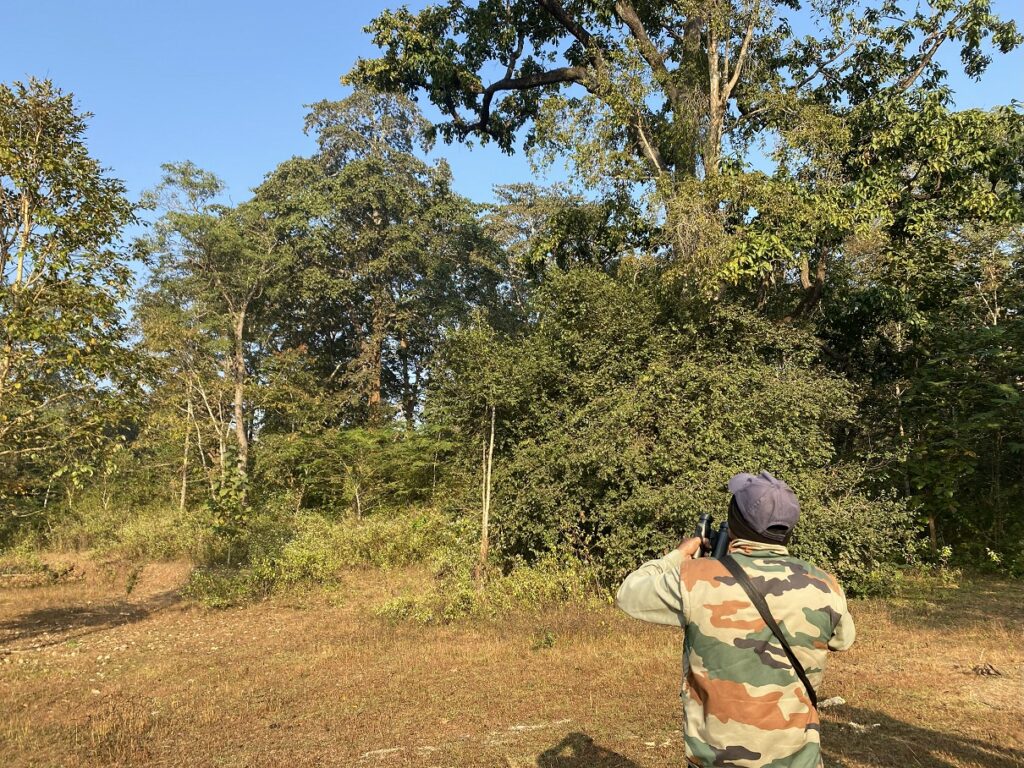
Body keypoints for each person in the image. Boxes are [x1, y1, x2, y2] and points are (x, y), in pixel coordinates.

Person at [615, 471, 856, 768]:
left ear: (735, 525)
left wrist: (678, 556)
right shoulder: (824, 584)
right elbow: (844, 639)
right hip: (797, 758)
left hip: (718, 758)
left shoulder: (696, 579)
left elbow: (629, 593)